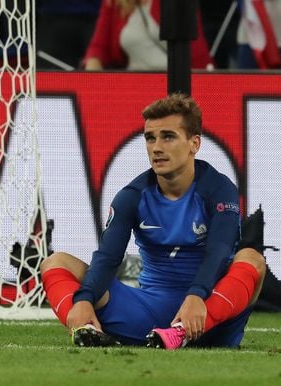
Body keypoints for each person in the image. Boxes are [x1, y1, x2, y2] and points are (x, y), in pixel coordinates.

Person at [40, 93, 266, 349]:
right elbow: (108, 258)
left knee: (252, 259)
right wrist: (83, 299)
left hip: (207, 313)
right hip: (146, 313)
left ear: (194, 143)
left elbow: (219, 251)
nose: (156, 147)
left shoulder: (219, 190)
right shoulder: (132, 196)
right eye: (150, 138)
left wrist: (196, 295)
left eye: (168, 137)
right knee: (56, 262)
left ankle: (181, 333)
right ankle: (88, 331)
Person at [83, 0, 213, 71]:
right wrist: (93, 71)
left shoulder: (179, 2)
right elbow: (98, 47)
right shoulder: (115, 3)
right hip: (134, 84)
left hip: (173, 85)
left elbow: (196, 50)